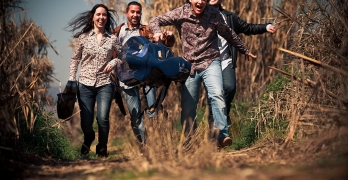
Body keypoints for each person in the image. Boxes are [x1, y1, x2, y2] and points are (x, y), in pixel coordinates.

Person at [149, 0, 256, 148]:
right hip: (189, 66)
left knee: (217, 94)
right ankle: (190, 140)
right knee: (188, 107)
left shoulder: (214, 14)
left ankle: (221, 135)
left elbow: (228, 32)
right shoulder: (180, 13)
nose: (200, 1)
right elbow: (155, 20)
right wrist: (157, 32)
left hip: (210, 62)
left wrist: (244, 49)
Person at [111, 1, 175, 144]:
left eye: (138, 12)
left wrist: (168, 37)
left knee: (153, 110)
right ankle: (144, 145)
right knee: (135, 116)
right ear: (126, 13)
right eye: (132, 12)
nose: (135, 15)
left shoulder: (147, 30)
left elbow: (164, 44)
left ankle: (161, 141)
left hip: (147, 75)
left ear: (141, 14)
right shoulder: (116, 32)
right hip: (126, 77)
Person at [208, 0, 277, 127]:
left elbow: (248, 28)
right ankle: (213, 132)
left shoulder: (230, 17)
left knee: (230, 87)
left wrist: (266, 27)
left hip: (225, 60)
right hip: (208, 62)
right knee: (214, 93)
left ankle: (224, 113)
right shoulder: (200, 15)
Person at [66, 4, 122, 157]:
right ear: (93, 17)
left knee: (103, 117)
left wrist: (114, 62)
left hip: (105, 84)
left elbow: (125, 57)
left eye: (104, 15)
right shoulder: (83, 38)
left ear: (107, 18)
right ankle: (89, 137)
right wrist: (72, 79)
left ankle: (102, 146)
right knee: (86, 121)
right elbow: (75, 59)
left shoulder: (113, 39)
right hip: (85, 84)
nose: (101, 17)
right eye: (98, 14)